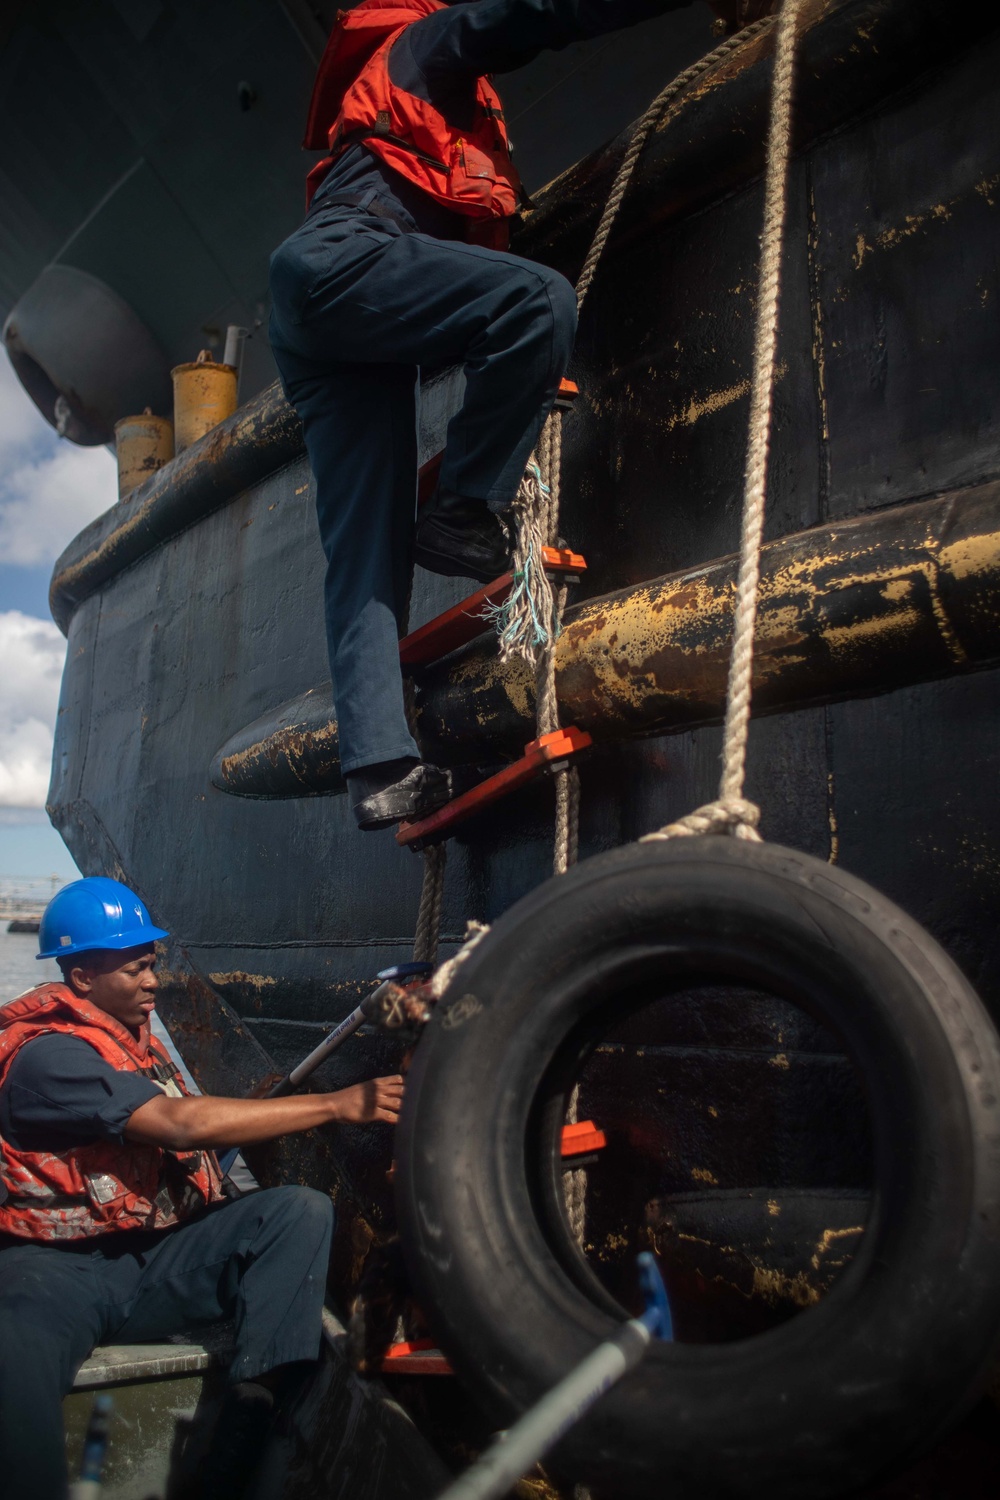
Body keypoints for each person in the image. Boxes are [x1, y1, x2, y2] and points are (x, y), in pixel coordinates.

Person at [269, 0, 692, 831]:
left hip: (321, 315)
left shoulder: (380, 116)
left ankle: (379, 769)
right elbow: (534, 13)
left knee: (364, 546)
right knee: (535, 302)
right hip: (349, 261)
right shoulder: (422, 42)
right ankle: (462, 510)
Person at [0, 877, 403, 1500]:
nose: (153, 981)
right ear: (82, 979)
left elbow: (187, 1144)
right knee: (14, 1350)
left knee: (297, 1212)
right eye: (135, 968)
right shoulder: (49, 1059)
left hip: (149, 1257)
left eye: (152, 964)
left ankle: (244, 1428)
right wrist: (337, 1104)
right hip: (53, 1272)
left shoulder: (136, 1042)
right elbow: (179, 1125)